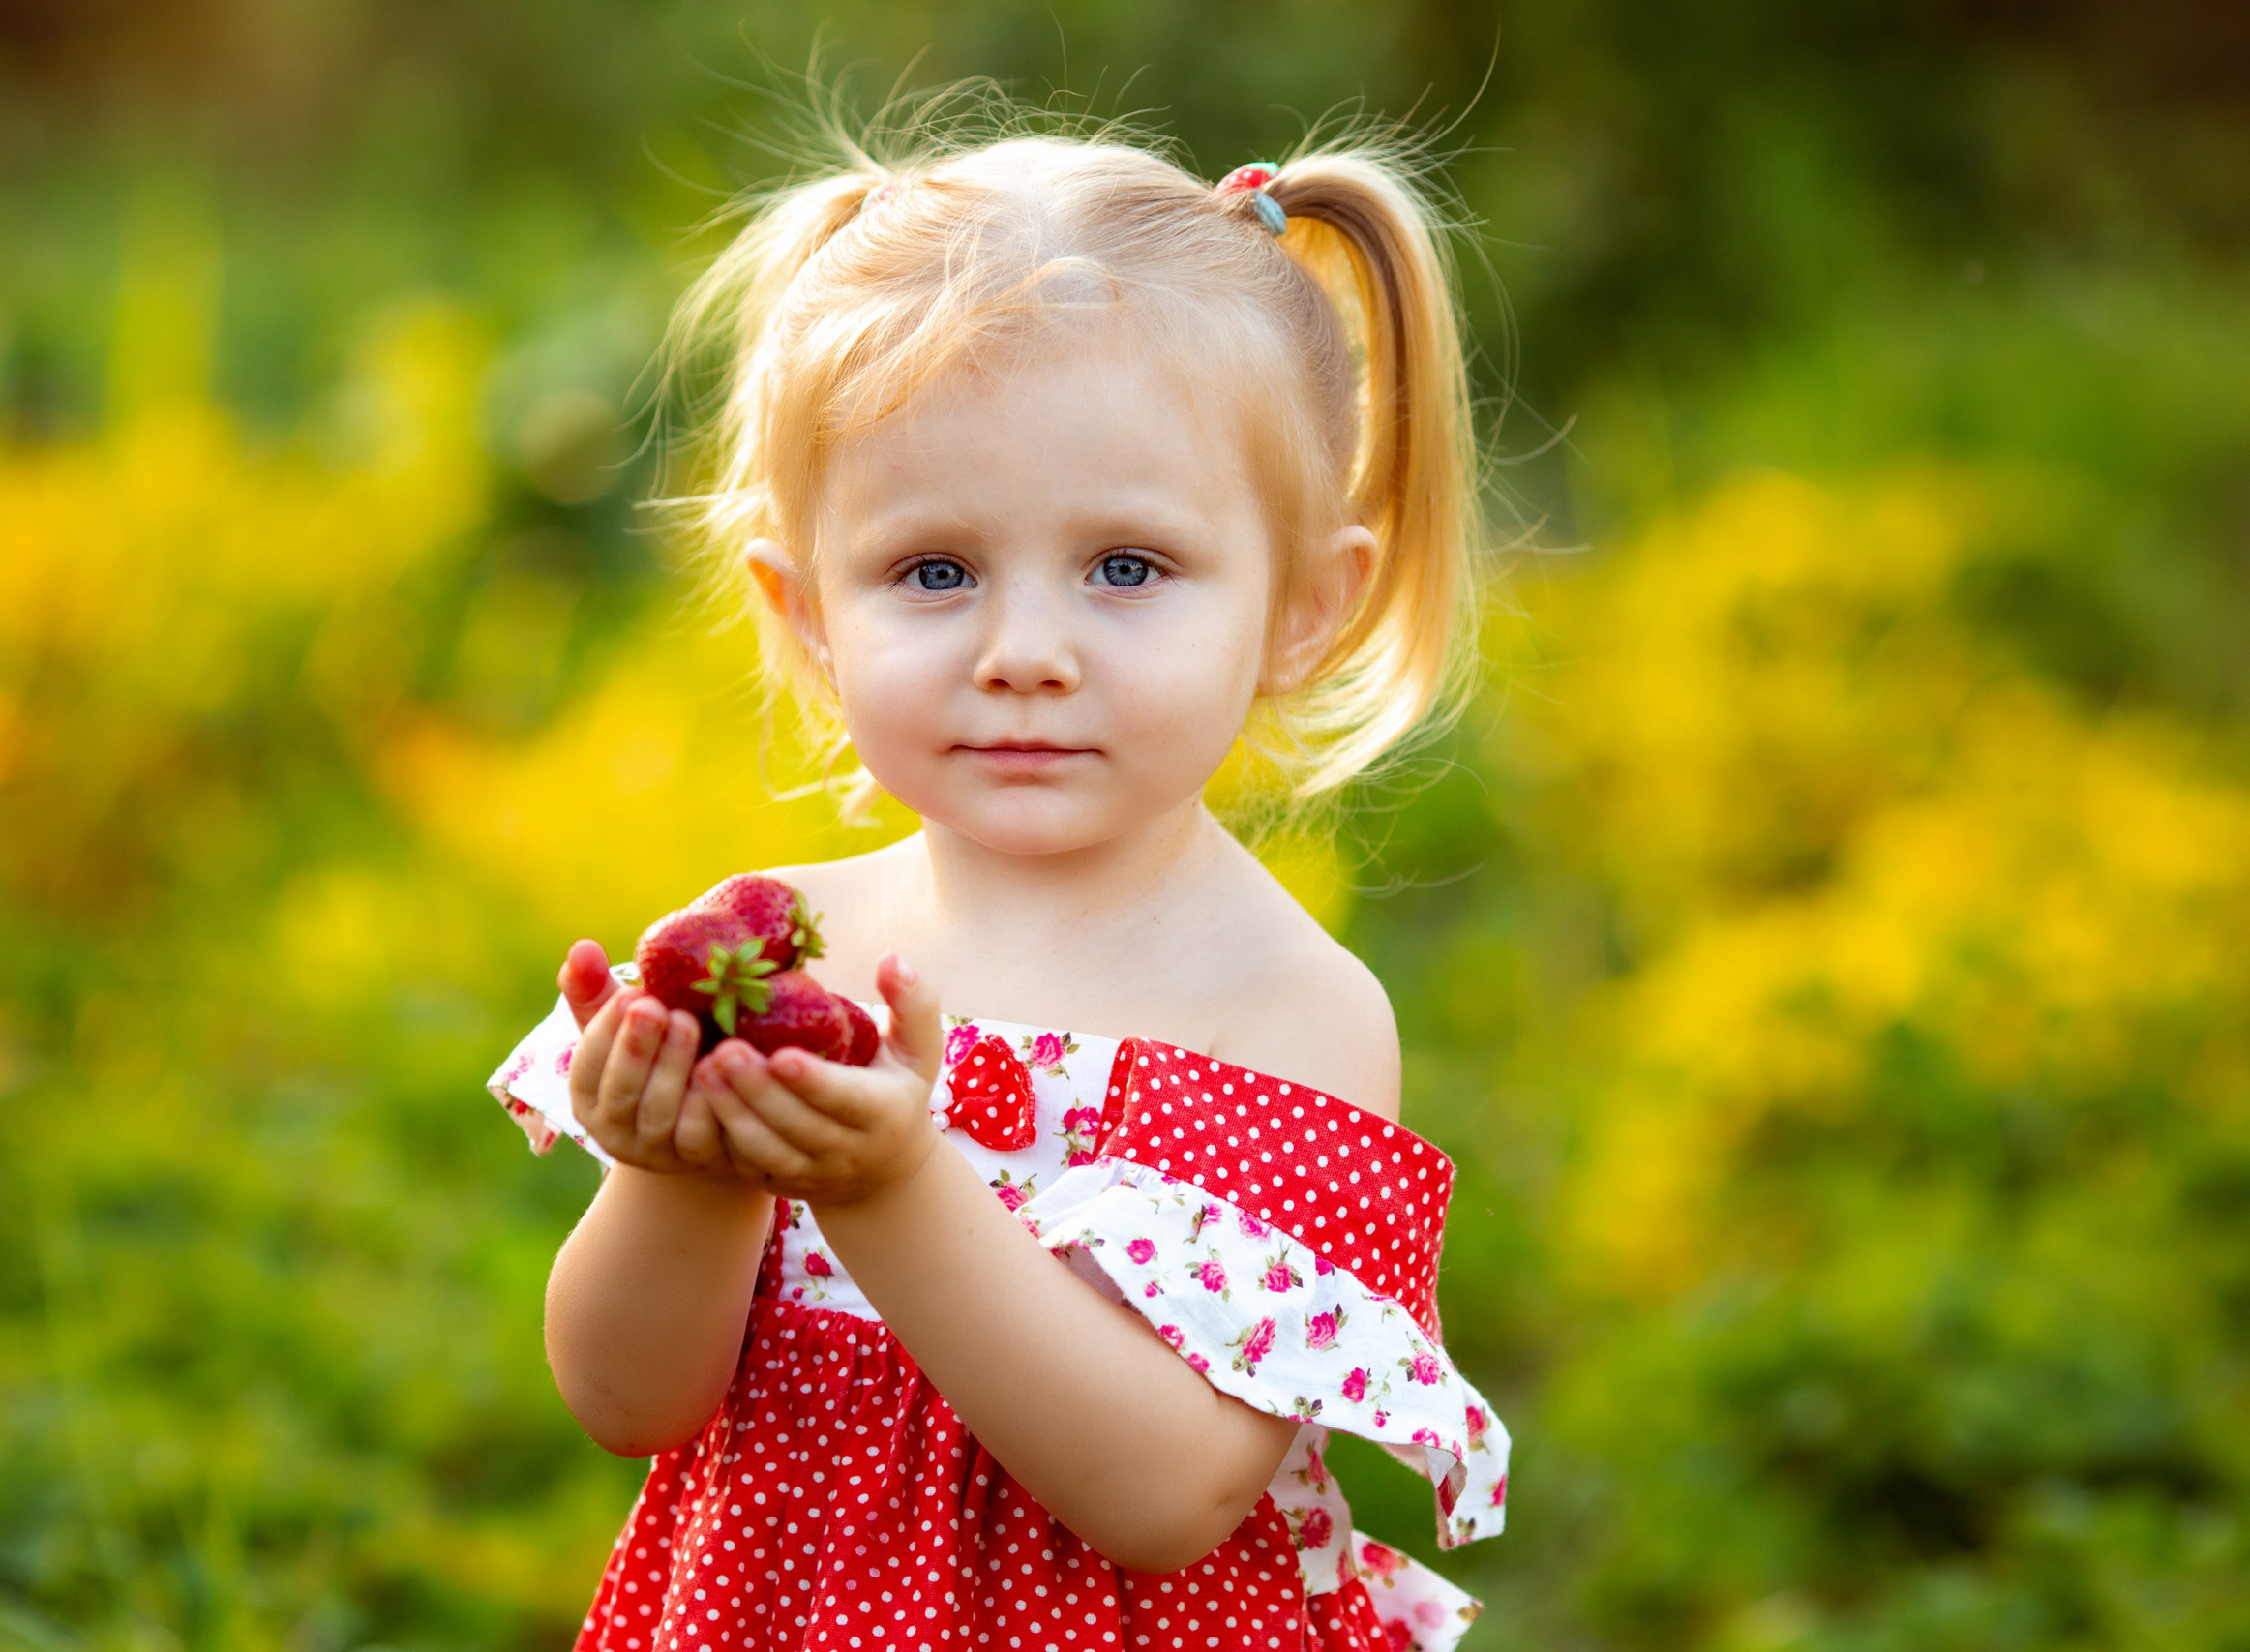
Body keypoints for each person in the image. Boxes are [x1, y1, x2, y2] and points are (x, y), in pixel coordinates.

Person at [488, 120, 1511, 1652]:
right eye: (936, 571)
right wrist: (679, 1174)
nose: (1023, 649)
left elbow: (1166, 1496)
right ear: (810, 612)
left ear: (1304, 608)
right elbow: (629, 1403)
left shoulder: (1287, 1010)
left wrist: (896, 1187)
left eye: (1126, 569)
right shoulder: (788, 949)